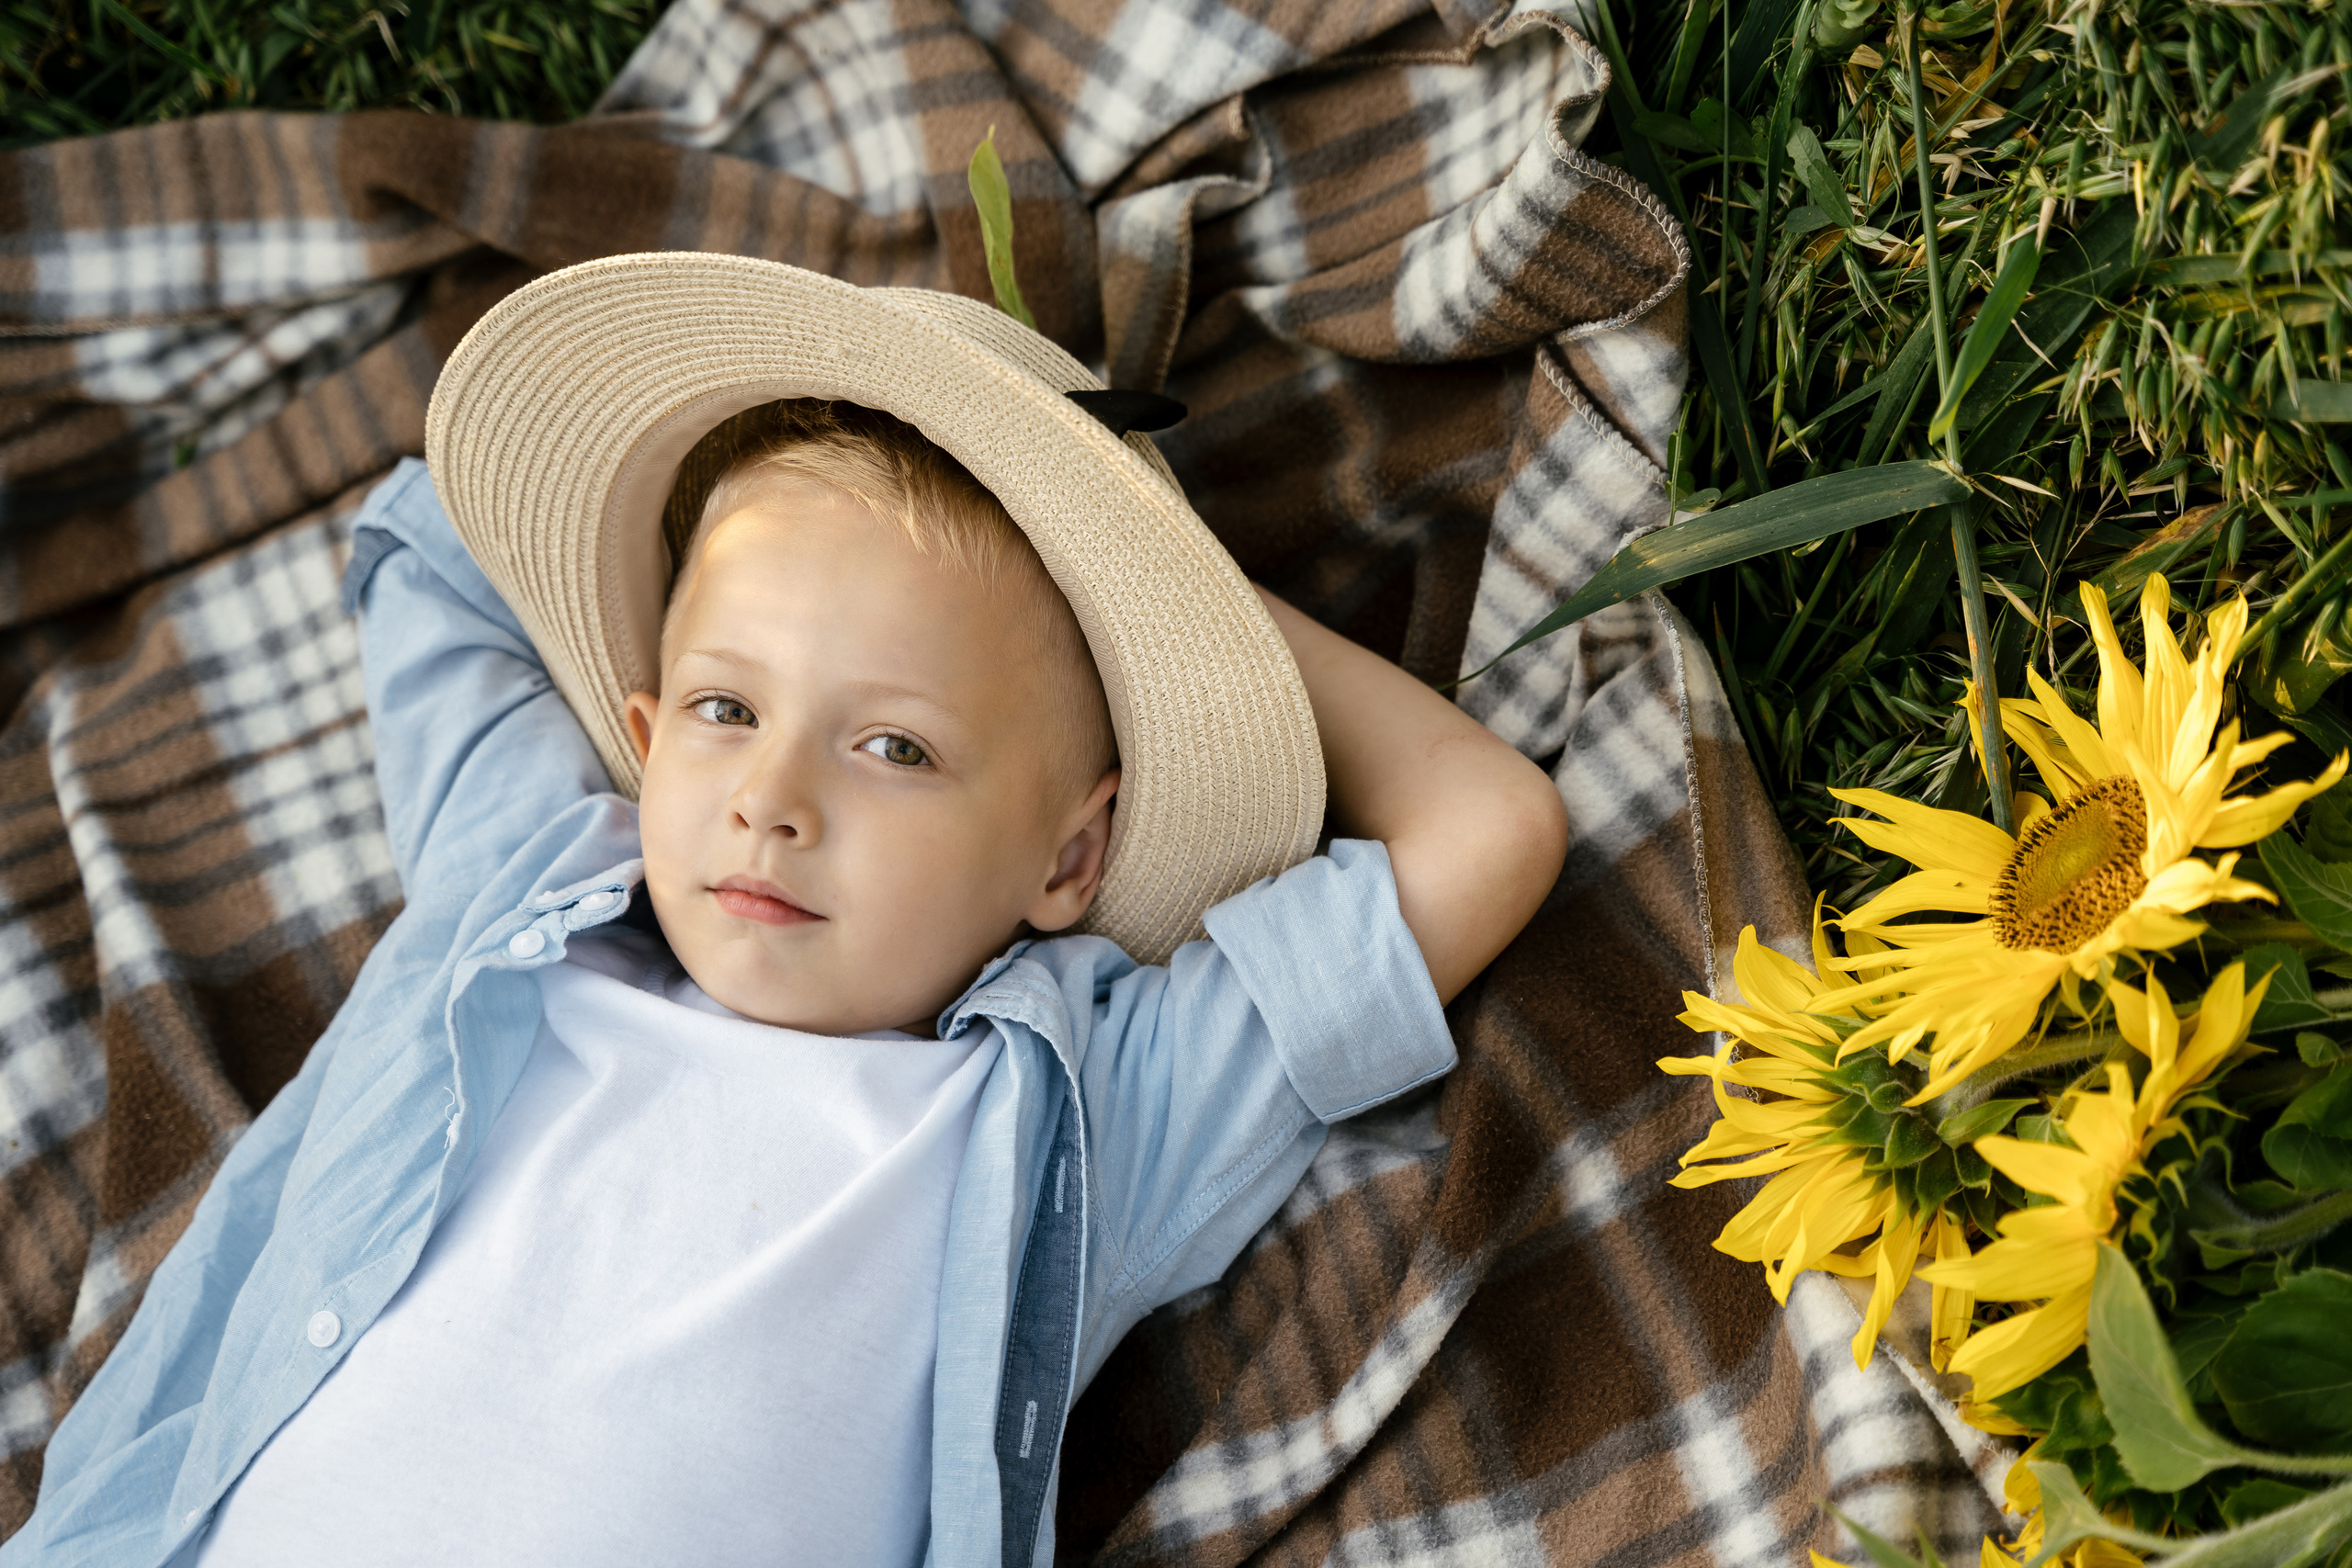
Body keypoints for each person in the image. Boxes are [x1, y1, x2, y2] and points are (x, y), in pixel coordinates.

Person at [7, 255, 1567, 1568]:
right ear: (635, 727)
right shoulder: (530, 869)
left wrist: (1164, 581)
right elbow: (445, 532)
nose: (771, 800)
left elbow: (1484, 829)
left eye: (895, 744)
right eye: (726, 710)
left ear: (1068, 861)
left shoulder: (1088, 1110)